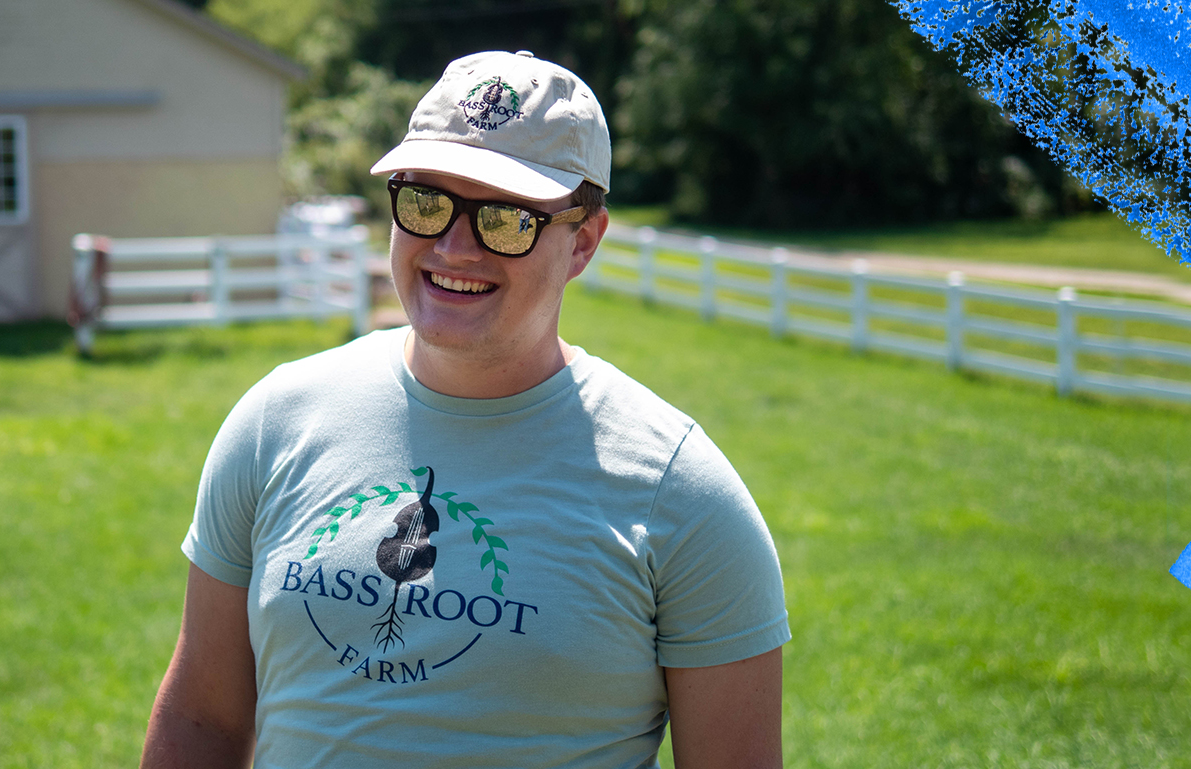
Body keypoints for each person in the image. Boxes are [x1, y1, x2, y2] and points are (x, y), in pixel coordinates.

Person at [139, 51, 788, 769]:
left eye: (506, 219)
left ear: (584, 242)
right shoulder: (276, 421)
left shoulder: (680, 492)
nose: (453, 246)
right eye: (426, 201)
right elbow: (202, 716)